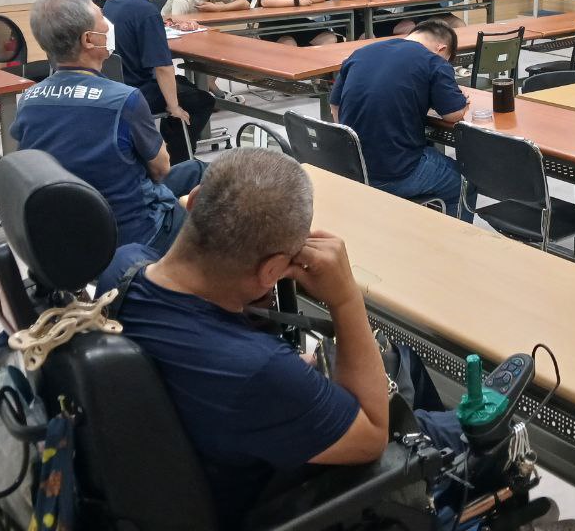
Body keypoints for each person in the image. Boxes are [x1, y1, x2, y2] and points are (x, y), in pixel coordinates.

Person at [94, 149, 465, 530]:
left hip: (213, 445)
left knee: (403, 363)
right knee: (470, 432)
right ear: (271, 270)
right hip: (282, 493)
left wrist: (287, 382)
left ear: (196, 199)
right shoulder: (259, 370)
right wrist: (345, 296)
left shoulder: (123, 268)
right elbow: (373, 435)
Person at [13, 0, 204, 254]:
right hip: (139, 231)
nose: (108, 23)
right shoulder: (124, 100)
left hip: (73, 227)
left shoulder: (29, 100)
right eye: (101, 16)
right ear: (89, 39)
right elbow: (161, 169)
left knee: (196, 169)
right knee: (214, 194)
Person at [329, 20, 473, 218]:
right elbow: (453, 114)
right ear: (441, 49)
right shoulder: (434, 61)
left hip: (349, 166)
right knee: (465, 181)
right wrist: (463, 103)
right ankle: (457, 245)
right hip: (395, 171)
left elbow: (334, 105)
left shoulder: (362, 52)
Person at [104, 0, 215, 164]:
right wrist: (173, 108)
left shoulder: (112, 3)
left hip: (117, 87)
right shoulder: (146, 12)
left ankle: (164, 148)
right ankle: (177, 163)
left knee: (183, 84)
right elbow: (162, 67)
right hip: (138, 92)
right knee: (201, 100)